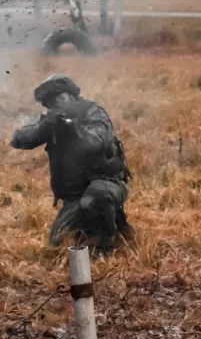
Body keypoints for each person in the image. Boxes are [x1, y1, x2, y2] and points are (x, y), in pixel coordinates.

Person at [10, 74, 133, 254]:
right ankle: (94, 225)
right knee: (57, 242)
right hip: (74, 195)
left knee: (95, 198)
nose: (57, 104)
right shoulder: (53, 121)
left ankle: (106, 245)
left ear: (72, 96)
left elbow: (97, 141)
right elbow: (18, 138)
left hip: (106, 183)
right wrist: (43, 129)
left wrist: (74, 130)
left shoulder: (93, 112)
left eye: (60, 98)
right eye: (51, 102)